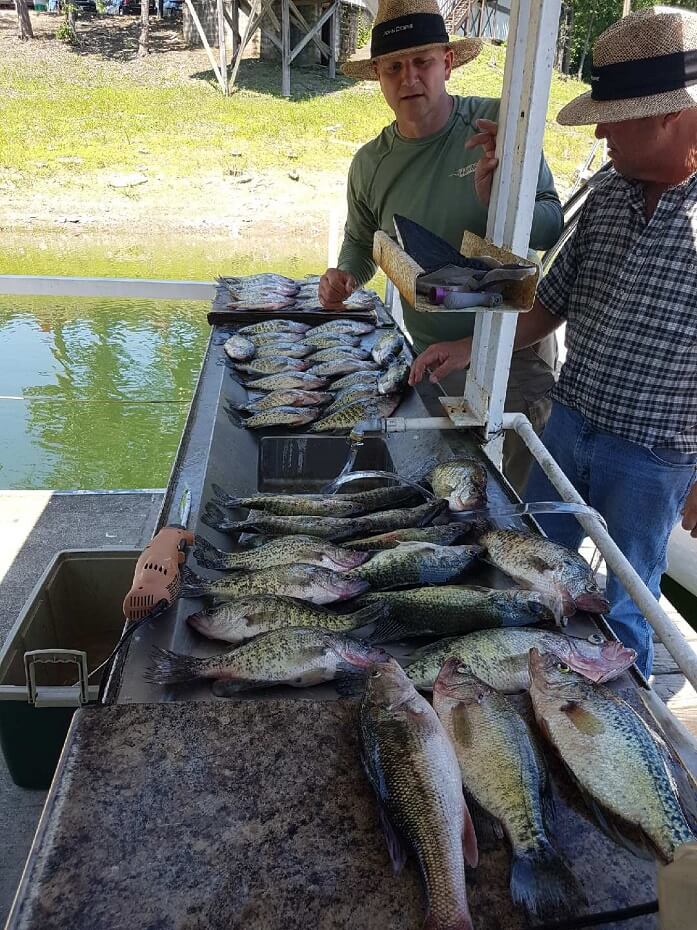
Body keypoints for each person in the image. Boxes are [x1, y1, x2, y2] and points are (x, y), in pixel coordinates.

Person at [412, 7, 697, 678]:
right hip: (566, 425)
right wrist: (467, 350)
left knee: (628, 597)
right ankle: (526, 681)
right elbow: (546, 305)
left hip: (656, 456)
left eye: (611, 116)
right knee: (528, 562)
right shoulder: (607, 195)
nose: (598, 131)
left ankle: (617, 708)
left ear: (667, 116)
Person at [319, 0, 564, 493]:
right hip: (432, 359)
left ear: (447, 63)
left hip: (513, 351)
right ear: (378, 76)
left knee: (517, 497)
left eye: (422, 62)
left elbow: (549, 227)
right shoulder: (369, 164)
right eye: (394, 67)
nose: (409, 78)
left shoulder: (497, 125)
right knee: (450, 490)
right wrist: (344, 276)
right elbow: (361, 242)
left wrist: (501, 201)